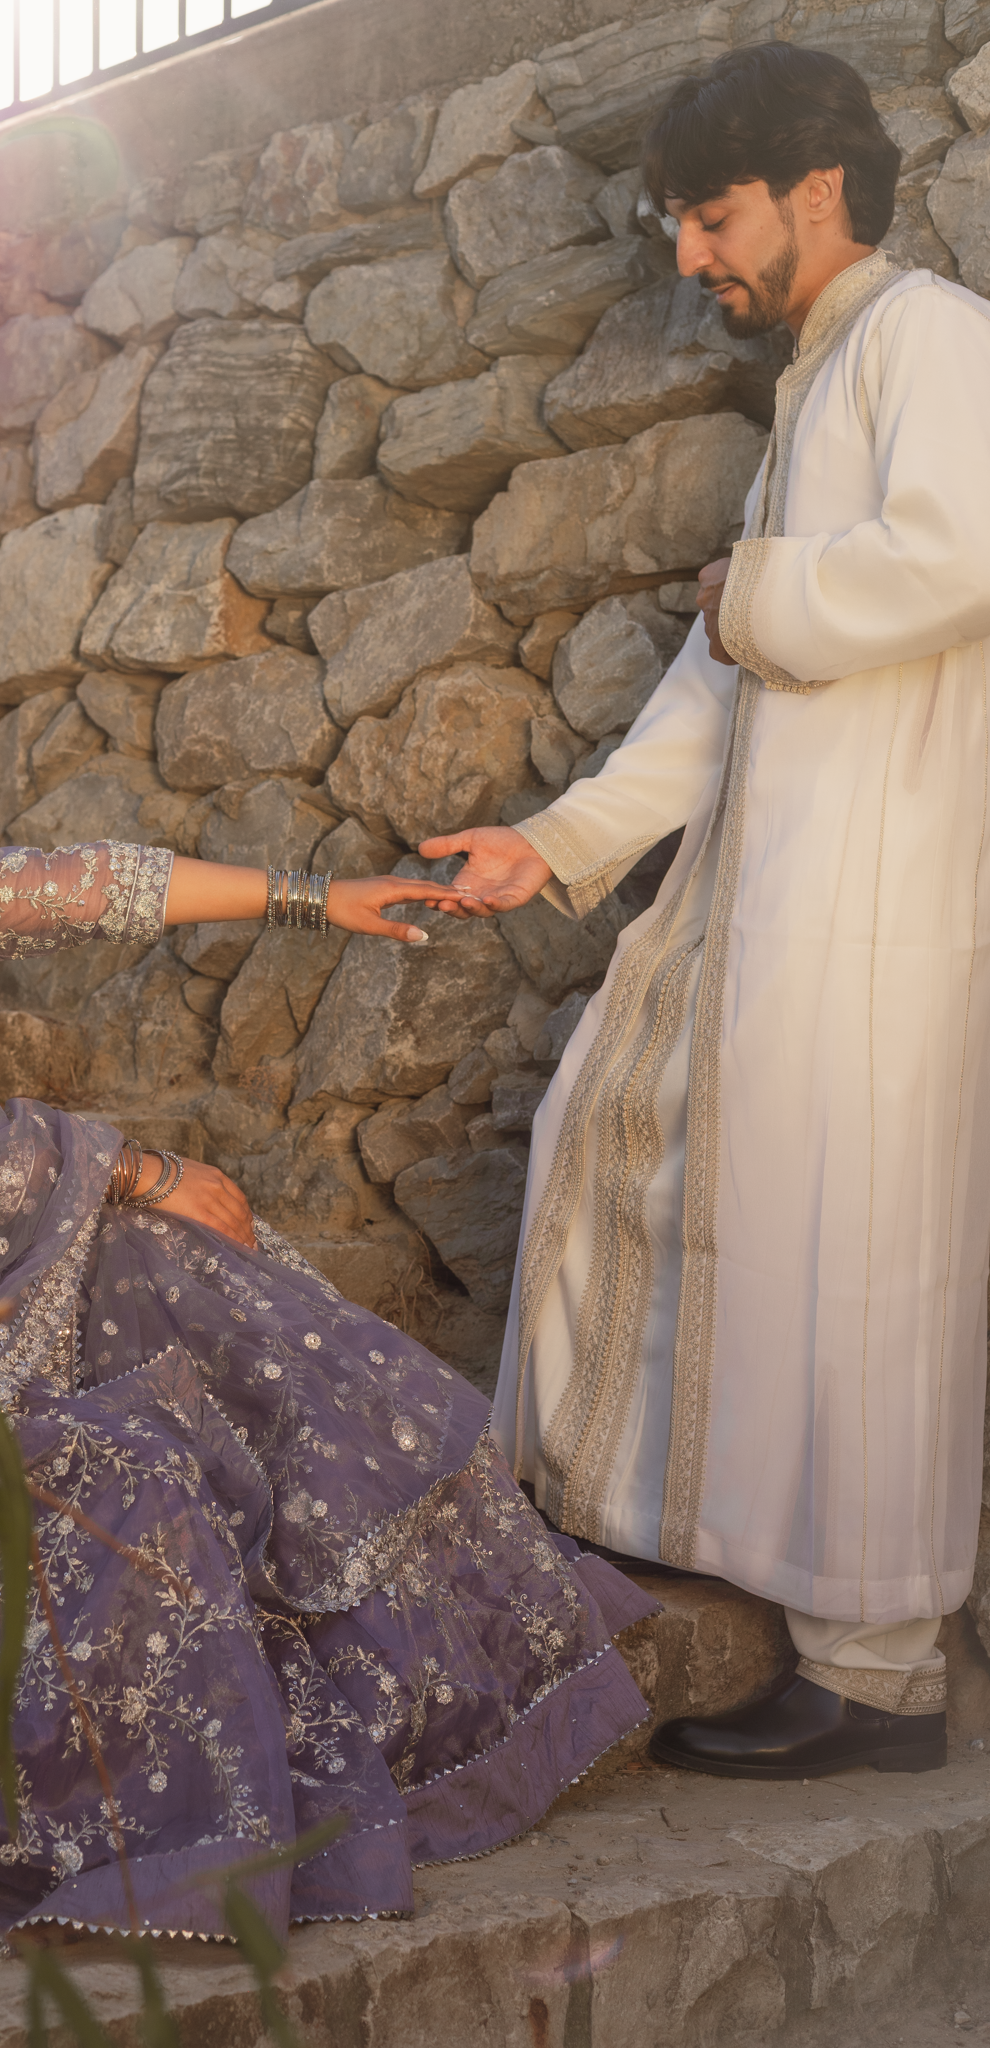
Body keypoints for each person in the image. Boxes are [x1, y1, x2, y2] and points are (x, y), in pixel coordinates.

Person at [0, 551, 654, 1940]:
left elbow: (73, 884)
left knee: (195, 1280)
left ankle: (455, 1636)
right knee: (157, 1318)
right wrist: (135, 1166)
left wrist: (319, 900)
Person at [424, 42, 990, 1780]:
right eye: (677, 223)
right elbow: (714, 679)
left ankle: (883, 1671)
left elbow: (963, 552)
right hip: (775, 903)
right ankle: (752, 1584)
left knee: (866, 1262)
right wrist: (558, 842)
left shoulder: (928, 340)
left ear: (819, 188)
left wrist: (756, 589)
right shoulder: (816, 381)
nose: (690, 259)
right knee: (710, 1201)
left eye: (709, 216)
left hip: (883, 901)